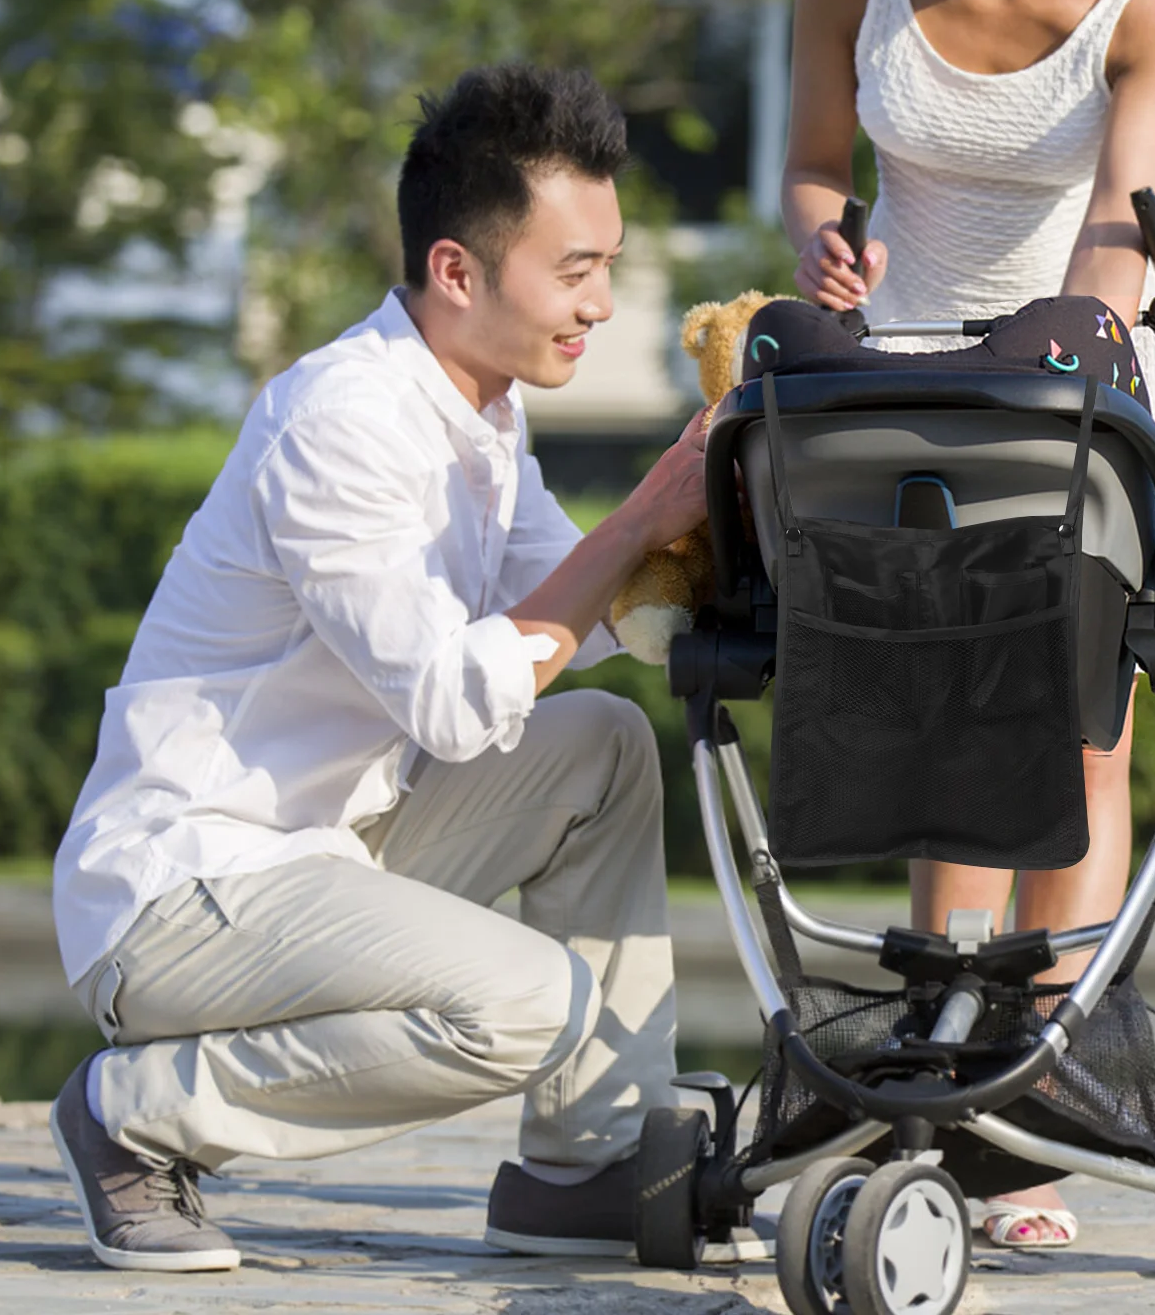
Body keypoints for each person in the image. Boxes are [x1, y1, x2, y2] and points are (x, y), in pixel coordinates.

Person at [48, 64, 706, 1272]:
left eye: (607, 264)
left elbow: (583, 611)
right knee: (528, 1002)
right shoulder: (340, 420)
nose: (603, 302)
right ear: (457, 271)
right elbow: (456, 705)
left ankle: (582, 1170)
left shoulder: (484, 414)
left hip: (329, 847)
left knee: (602, 751)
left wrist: (726, 537)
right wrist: (638, 520)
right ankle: (133, 1114)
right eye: (576, 270)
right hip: (184, 887)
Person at [781, 0, 1155, 1249]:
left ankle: (1040, 1101)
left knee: (1074, 732)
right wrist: (823, 237)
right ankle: (942, 1067)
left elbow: (1119, 240)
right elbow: (810, 165)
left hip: (1080, 379)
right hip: (902, 384)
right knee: (943, 702)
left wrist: (1045, 362)